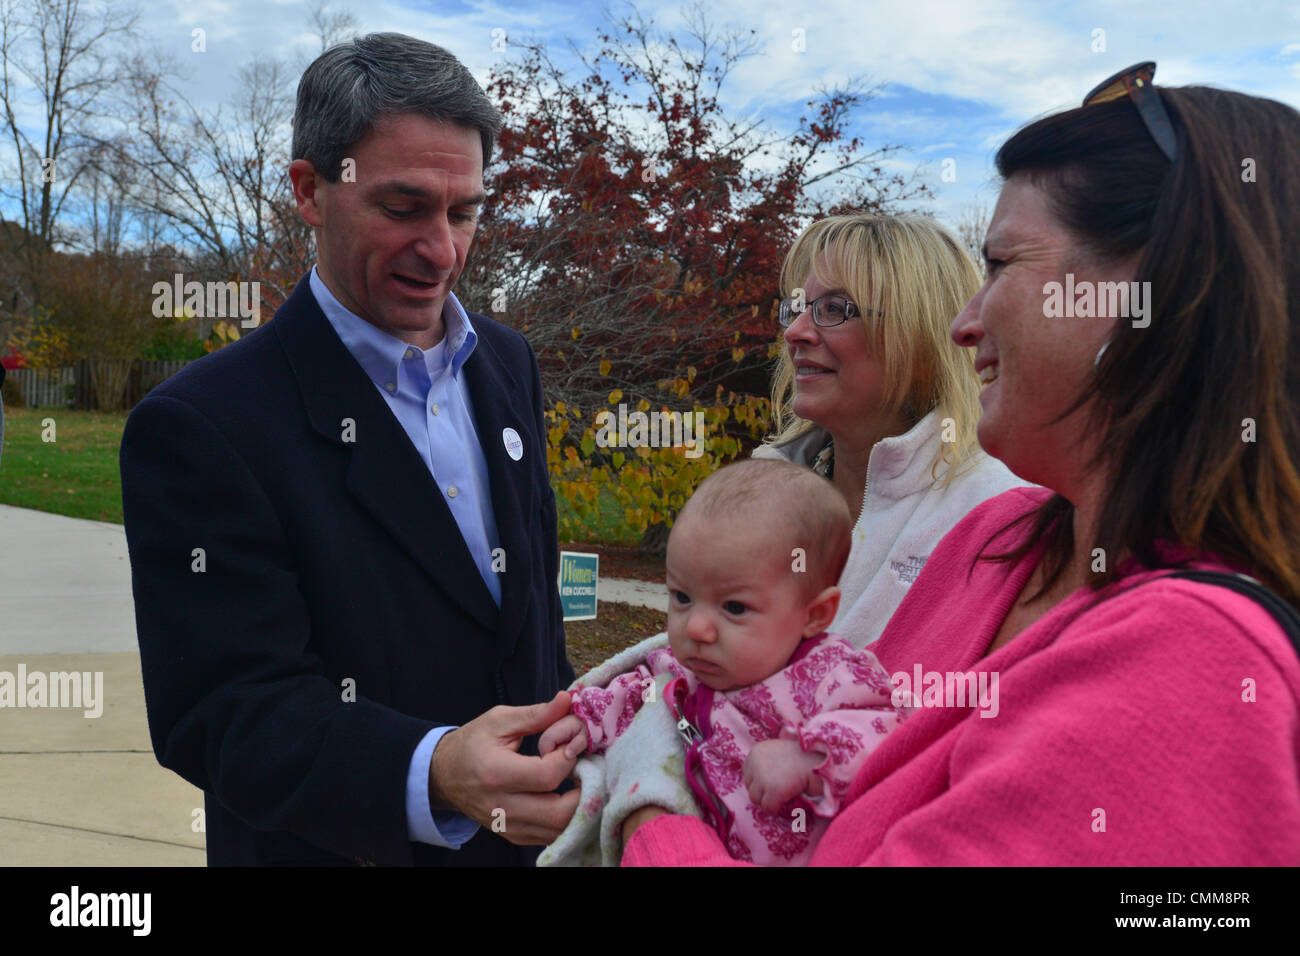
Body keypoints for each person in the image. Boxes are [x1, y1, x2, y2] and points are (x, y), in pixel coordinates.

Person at [620, 64, 1300, 864]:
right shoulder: (998, 539)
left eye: (1004, 265)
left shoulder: (1192, 670)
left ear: (1159, 291)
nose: (964, 324)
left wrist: (647, 810)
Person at [119, 33, 579, 866]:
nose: (442, 250)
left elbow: (529, 621)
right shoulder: (201, 426)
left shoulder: (508, 363)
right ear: (309, 189)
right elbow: (224, 712)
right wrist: (434, 771)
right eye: (402, 209)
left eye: (464, 211)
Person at [539, 459, 906, 864]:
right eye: (682, 596)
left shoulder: (832, 674)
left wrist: (808, 758)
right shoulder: (687, 674)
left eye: (733, 607)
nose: (696, 627)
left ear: (814, 614)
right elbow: (639, 691)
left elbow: (890, 734)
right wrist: (586, 721)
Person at [753, 213, 1029, 648]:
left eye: (834, 309)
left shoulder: (997, 517)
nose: (795, 332)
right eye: (798, 308)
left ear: (921, 336)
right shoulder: (761, 488)